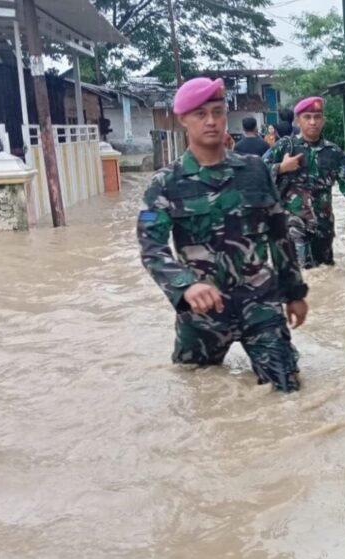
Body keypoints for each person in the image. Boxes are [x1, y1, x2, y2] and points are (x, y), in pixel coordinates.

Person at [137, 77, 309, 393]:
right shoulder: (164, 184)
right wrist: (185, 285)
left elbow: (279, 235)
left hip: (260, 302)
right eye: (201, 114)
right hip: (202, 312)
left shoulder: (255, 170)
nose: (212, 121)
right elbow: (152, 247)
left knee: (286, 390)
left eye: (218, 112)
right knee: (196, 392)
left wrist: (294, 293)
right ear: (183, 119)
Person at [264, 96, 345, 269]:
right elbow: (258, 171)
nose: (313, 122)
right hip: (293, 220)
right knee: (303, 270)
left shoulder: (333, 151)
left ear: (323, 121)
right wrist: (281, 167)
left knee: (324, 271)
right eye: (307, 117)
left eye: (317, 117)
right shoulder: (285, 146)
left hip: (323, 225)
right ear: (298, 121)